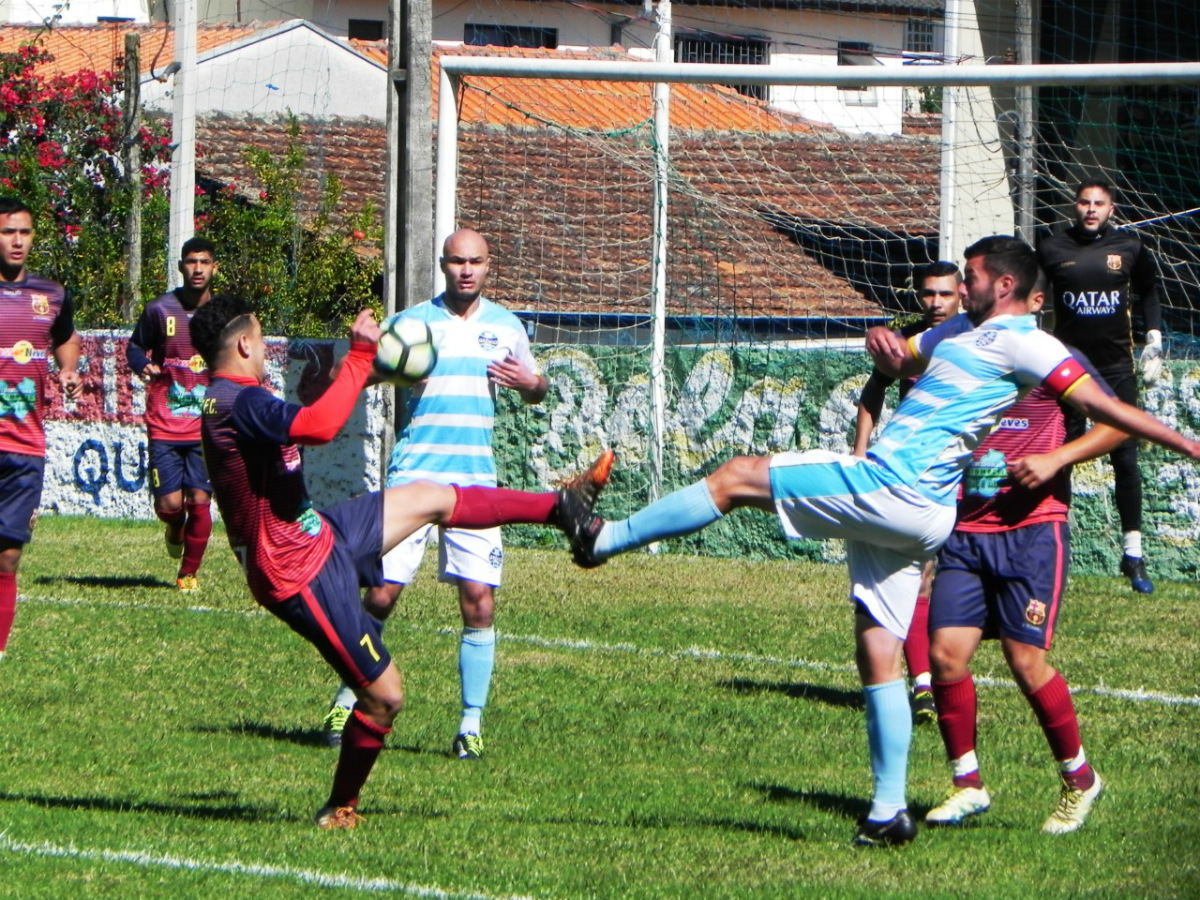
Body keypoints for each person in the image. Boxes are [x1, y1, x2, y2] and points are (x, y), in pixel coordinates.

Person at [557, 235, 1200, 847]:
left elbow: (1113, 411)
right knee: (878, 651)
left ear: (1004, 286)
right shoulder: (957, 330)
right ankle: (889, 812)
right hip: (925, 509)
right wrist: (884, 347)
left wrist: (1187, 443)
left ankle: (601, 538)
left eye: (971, 278)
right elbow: (901, 360)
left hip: (897, 486)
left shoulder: (1027, 343)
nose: (959, 287)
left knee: (734, 478)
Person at [190, 294, 611, 830]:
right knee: (385, 697)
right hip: (297, 572)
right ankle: (339, 806)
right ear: (245, 345)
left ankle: (562, 508)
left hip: (315, 535)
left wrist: (368, 366)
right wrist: (362, 357)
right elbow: (319, 426)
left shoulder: (233, 397)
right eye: (260, 336)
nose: (266, 348)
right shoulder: (238, 401)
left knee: (432, 495)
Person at [321, 229, 547, 759]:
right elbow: (352, 377)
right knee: (381, 594)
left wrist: (531, 385)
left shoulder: (507, 327)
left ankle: (470, 726)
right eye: (456, 261)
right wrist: (373, 364)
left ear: (488, 266)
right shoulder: (410, 324)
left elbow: (537, 390)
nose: (466, 270)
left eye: (476, 262)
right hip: (414, 475)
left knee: (479, 602)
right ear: (443, 265)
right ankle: (347, 699)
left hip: (474, 481)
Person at [925, 281, 1122, 836]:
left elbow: (1116, 422)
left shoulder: (1056, 359)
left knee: (1025, 662)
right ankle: (967, 783)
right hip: (966, 530)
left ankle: (1080, 779)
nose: (966, 291)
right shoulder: (959, 355)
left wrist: (1056, 459)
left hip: (1032, 532)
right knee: (944, 656)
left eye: (974, 280)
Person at [1038, 180, 1163, 594]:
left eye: (1099, 203)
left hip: (1115, 368)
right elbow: (1033, 296)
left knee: (1124, 456)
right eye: (1084, 202)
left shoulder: (1129, 246)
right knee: (1062, 454)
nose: (1091, 209)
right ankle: (1055, 544)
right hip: (1068, 369)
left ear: (1111, 209)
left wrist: (1154, 338)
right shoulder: (1052, 248)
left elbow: (1149, 290)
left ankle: (1133, 555)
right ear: (1075, 207)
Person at [853, 260, 962, 725]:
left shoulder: (976, 339)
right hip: (920, 475)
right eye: (928, 294)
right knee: (922, 576)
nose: (936, 302)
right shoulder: (907, 341)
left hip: (972, 474)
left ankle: (944, 671)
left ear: (962, 294)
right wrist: (860, 452)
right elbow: (873, 391)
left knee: (958, 581)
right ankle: (922, 684)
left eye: (945, 293)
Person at [0, 196, 83, 663]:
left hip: (24, 445)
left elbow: (65, 337)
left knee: (9, 555)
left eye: (24, 232)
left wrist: (68, 369)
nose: (17, 241)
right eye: (8, 232)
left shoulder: (50, 294)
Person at [127, 236, 218, 592]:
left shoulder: (223, 314)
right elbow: (135, 347)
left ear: (214, 268)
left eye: (204, 262)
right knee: (169, 505)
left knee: (200, 501)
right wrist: (143, 364)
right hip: (165, 424)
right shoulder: (160, 309)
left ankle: (188, 573)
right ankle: (174, 526)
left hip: (206, 427)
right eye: (191, 261)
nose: (198, 268)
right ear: (181, 267)